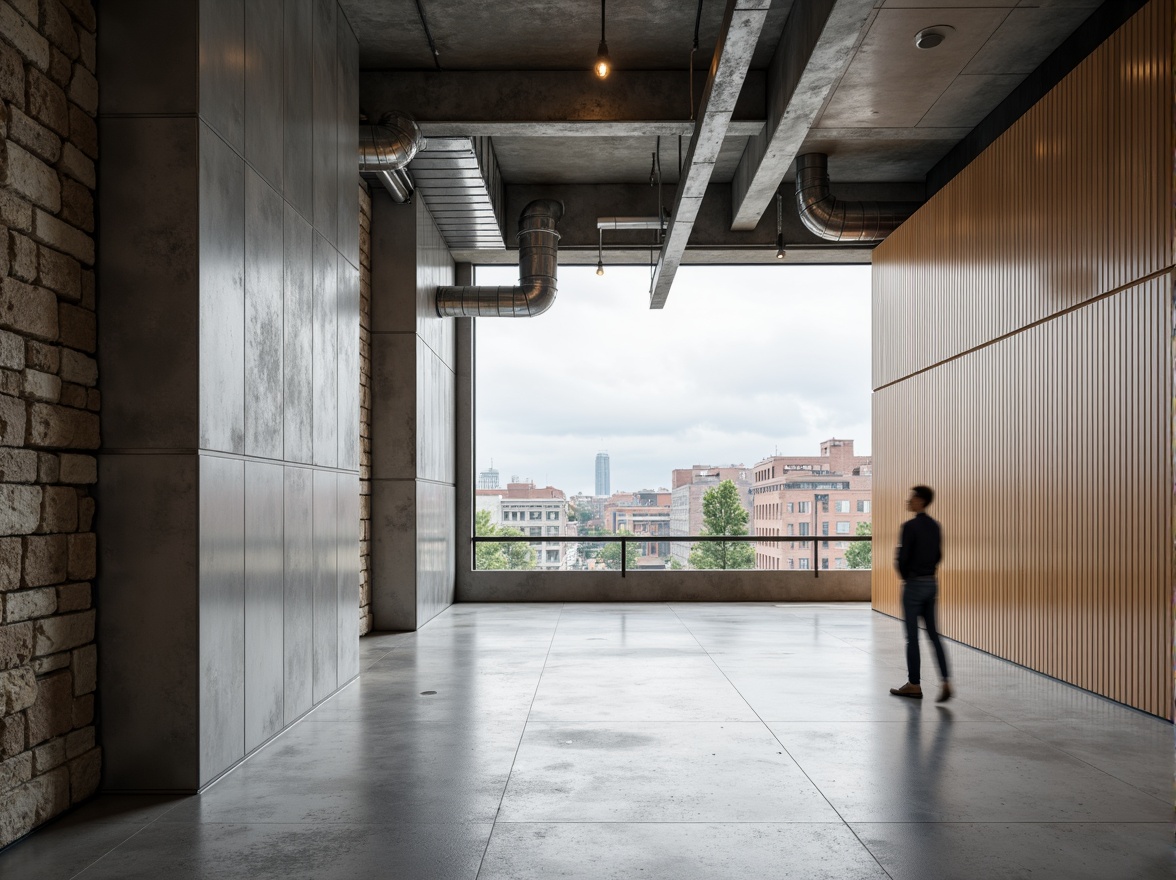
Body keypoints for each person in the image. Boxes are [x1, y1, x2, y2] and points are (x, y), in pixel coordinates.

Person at [889, 485, 951, 702]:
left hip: (914, 585)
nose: (909, 500)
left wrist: (907, 575)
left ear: (921, 501)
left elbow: (902, 559)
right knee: (934, 636)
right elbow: (939, 555)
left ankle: (914, 684)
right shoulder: (936, 526)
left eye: (913, 498)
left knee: (912, 638)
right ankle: (945, 680)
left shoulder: (909, 526)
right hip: (931, 583)